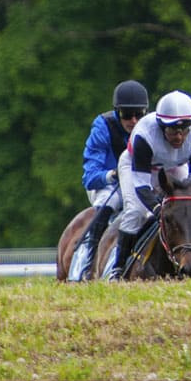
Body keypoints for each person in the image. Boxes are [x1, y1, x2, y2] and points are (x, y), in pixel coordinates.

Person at [110, 89, 191, 277]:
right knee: (136, 211)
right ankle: (117, 269)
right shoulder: (144, 135)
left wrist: (185, 205)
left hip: (174, 166)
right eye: (173, 130)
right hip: (137, 166)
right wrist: (159, 209)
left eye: (184, 130)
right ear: (161, 126)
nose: (179, 137)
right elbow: (142, 186)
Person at [73, 79, 148, 279]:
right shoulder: (103, 126)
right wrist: (113, 174)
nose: (133, 121)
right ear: (117, 112)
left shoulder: (151, 128)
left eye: (139, 114)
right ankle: (87, 264)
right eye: (127, 115)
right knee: (110, 202)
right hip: (107, 185)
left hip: (140, 183)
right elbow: (89, 177)